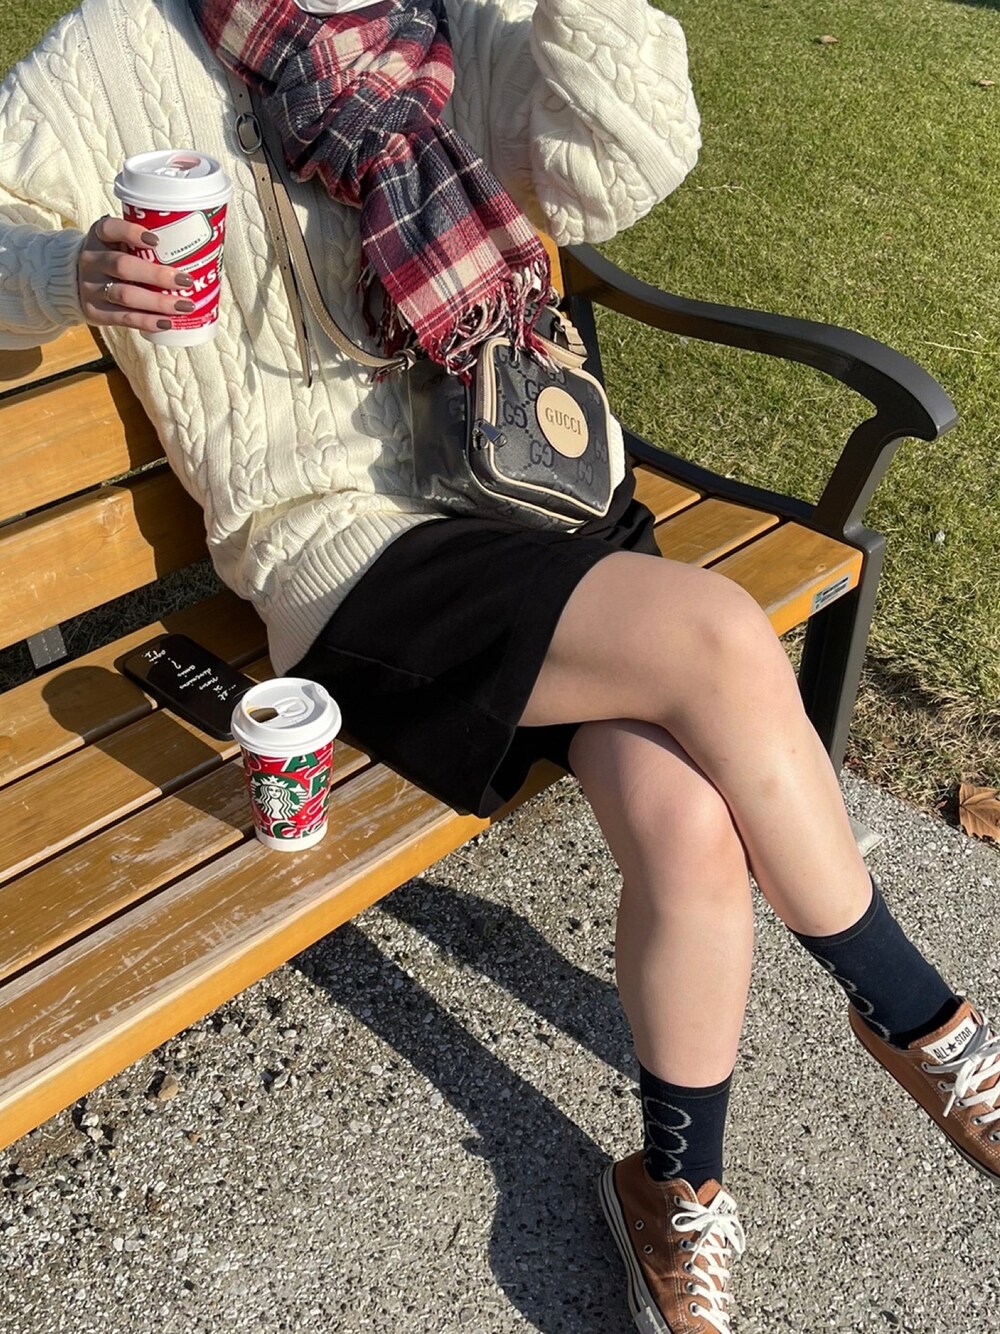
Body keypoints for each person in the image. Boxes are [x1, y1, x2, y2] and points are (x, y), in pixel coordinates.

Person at [0, 1, 997, 1330]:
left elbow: (625, 166)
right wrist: (68, 271)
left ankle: (673, 1187)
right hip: (349, 553)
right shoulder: (111, 52)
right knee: (718, 639)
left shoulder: (455, 17)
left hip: (528, 484)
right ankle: (924, 1023)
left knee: (690, 822)